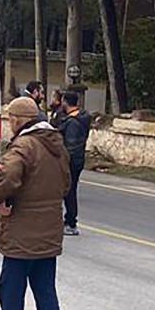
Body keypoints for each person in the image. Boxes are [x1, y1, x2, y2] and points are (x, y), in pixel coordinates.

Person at [0, 97, 70, 310]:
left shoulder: (23, 146)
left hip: (22, 230)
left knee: (11, 289)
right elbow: (66, 183)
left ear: (18, 120)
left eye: (11, 119)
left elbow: (7, 177)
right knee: (45, 290)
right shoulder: (56, 145)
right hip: (49, 228)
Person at [57, 90, 92, 236]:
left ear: (65, 102)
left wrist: (64, 162)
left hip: (71, 161)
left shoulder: (72, 123)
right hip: (78, 160)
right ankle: (69, 221)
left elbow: (71, 145)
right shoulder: (82, 118)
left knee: (69, 192)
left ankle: (71, 223)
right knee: (70, 190)